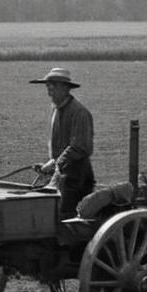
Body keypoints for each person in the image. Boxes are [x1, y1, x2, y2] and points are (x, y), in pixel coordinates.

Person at [30, 67, 95, 218]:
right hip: (62, 173)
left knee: (63, 217)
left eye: (52, 87)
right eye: (48, 87)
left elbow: (79, 147)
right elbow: (62, 148)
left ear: (65, 88)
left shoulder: (79, 112)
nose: (49, 92)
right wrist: (50, 163)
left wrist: (54, 163)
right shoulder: (55, 109)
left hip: (76, 176)